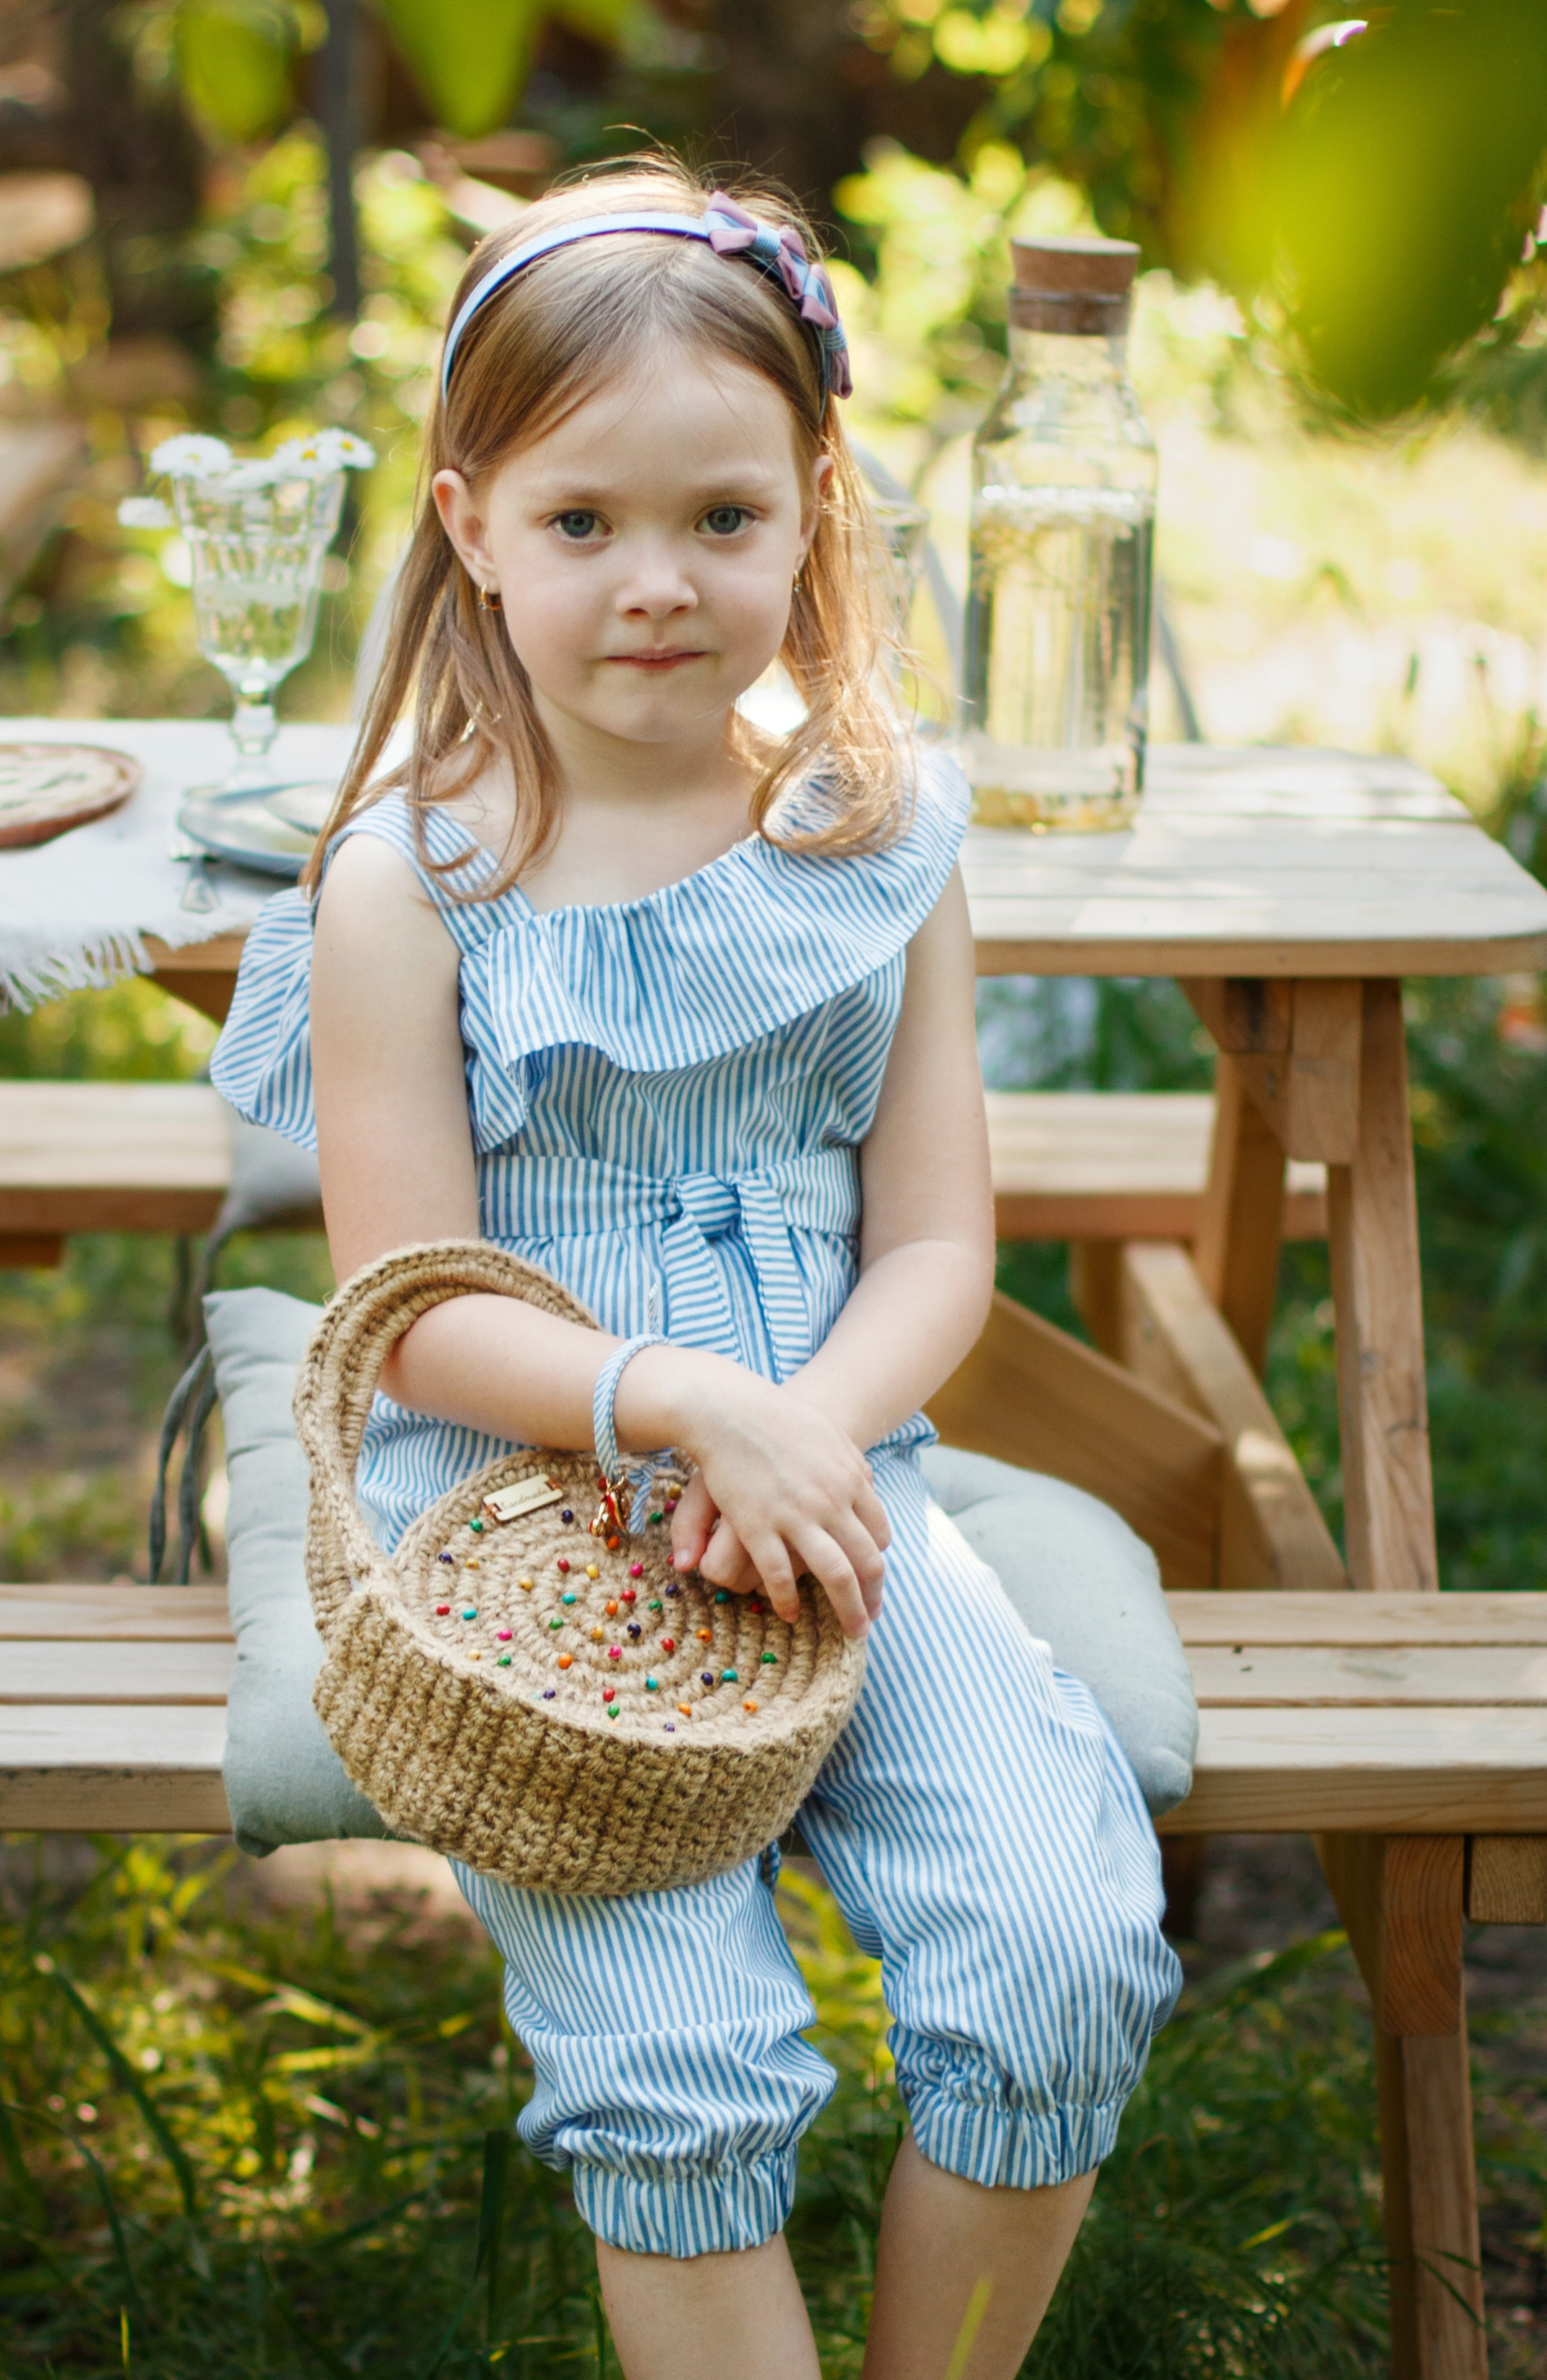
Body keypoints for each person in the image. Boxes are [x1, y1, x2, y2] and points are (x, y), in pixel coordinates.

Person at [210, 156, 1180, 2380]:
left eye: (724, 519)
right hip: (524, 1519)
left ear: (814, 509)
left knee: (1057, 1939)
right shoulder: (415, 885)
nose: (657, 584)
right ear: (471, 526)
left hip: (838, 1483)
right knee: (685, 2059)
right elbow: (412, 1310)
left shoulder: (877, 836)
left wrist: (799, 1436)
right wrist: (682, 1405)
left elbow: (935, 1239)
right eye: (583, 523)